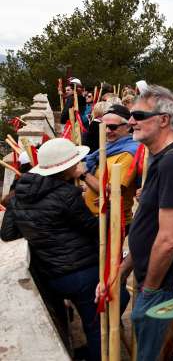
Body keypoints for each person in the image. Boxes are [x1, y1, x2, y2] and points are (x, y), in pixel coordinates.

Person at [106, 86, 173, 360]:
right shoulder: (160, 158)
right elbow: (148, 225)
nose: (131, 121)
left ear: (163, 119)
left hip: (165, 289)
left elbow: (168, 239)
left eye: (138, 114)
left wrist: (149, 290)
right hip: (159, 285)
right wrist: (125, 269)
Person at [1, 138, 102, 361]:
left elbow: (7, 233)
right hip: (82, 273)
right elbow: (92, 229)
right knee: (96, 326)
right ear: (67, 168)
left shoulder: (19, 194)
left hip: (48, 275)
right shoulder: (67, 194)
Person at [82, 104, 141, 226]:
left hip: (113, 221)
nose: (107, 131)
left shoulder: (129, 153)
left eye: (113, 127)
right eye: (104, 126)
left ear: (128, 127)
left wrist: (83, 174)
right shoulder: (109, 147)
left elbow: (114, 190)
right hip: (97, 217)